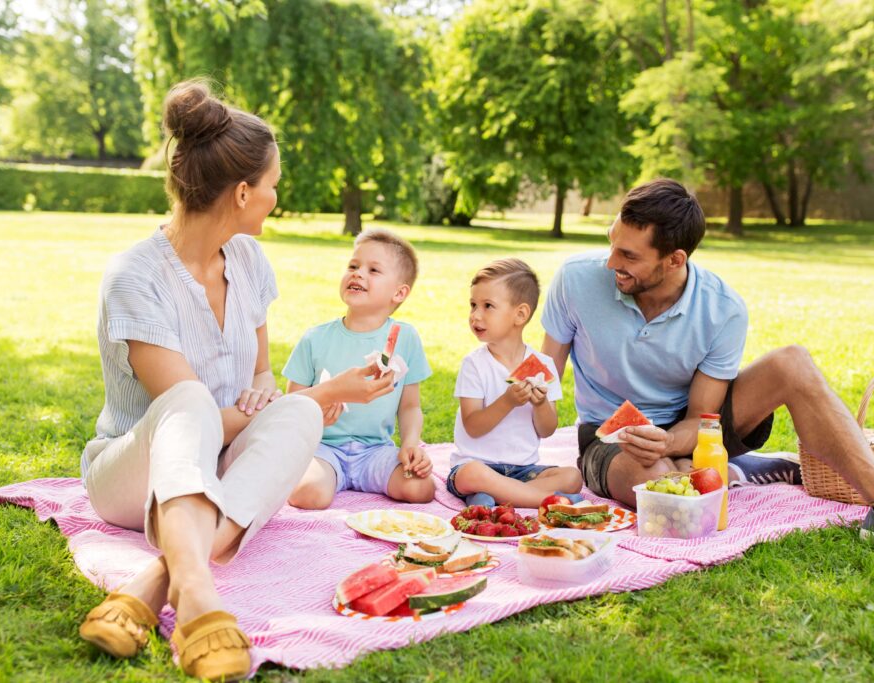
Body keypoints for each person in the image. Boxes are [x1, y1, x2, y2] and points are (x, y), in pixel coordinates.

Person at [77, 81, 395, 681]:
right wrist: (326, 394)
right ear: (244, 191)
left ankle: (157, 579)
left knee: (299, 417)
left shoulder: (249, 262)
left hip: (220, 468)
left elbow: (261, 377)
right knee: (196, 397)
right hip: (134, 477)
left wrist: (285, 399)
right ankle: (197, 594)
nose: (276, 197)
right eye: (273, 185)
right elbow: (185, 417)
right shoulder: (135, 277)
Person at [540, 178, 874, 564]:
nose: (610, 262)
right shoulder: (576, 280)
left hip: (693, 428)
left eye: (628, 255)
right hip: (607, 436)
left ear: (675, 259)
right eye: (611, 242)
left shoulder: (721, 308)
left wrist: (672, 441)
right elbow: (544, 376)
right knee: (666, 496)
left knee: (792, 361)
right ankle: (738, 472)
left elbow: (702, 418)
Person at [282, 228, 436, 509]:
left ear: (399, 293)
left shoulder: (406, 338)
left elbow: (410, 406)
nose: (358, 273)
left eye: (373, 270)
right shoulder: (315, 339)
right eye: (353, 266)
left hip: (376, 452)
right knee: (308, 494)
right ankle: (320, 477)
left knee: (421, 488)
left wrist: (410, 444)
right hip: (323, 450)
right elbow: (291, 405)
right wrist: (319, 410)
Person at [446, 259, 583, 509]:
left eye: (488, 306)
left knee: (572, 477)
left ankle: (494, 497)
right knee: (471, 475)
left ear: (520, 314)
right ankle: (548, 501)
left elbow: (547, 430)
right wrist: (508, 401)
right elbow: (473, 427)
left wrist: (541, 404)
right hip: (477, 465)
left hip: (523, 470)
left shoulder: (542, 364)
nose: (475, 315)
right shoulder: (474, 364)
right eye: (473, 305)